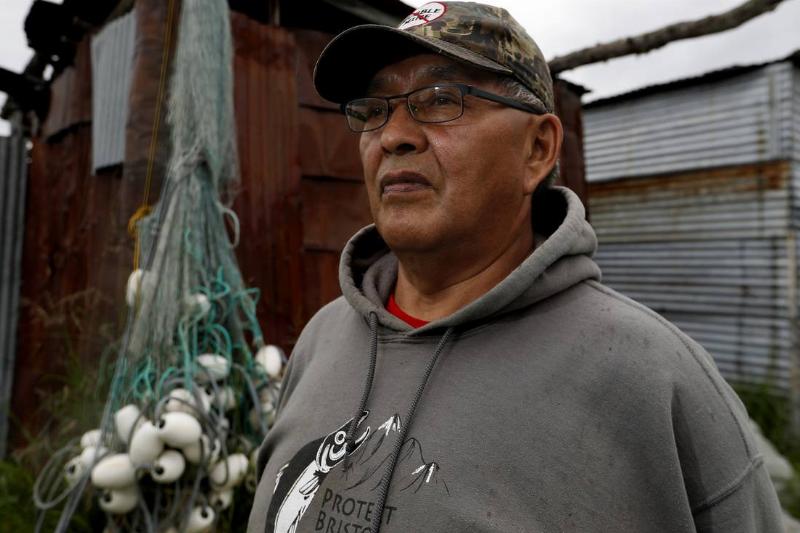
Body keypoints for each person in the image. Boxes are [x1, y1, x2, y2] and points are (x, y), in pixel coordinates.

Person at [248, 2, 784, 532]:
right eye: (374, 109)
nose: (393, 136)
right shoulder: (322, 340)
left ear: (538, 149)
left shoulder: (654, 381)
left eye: (439, 100)